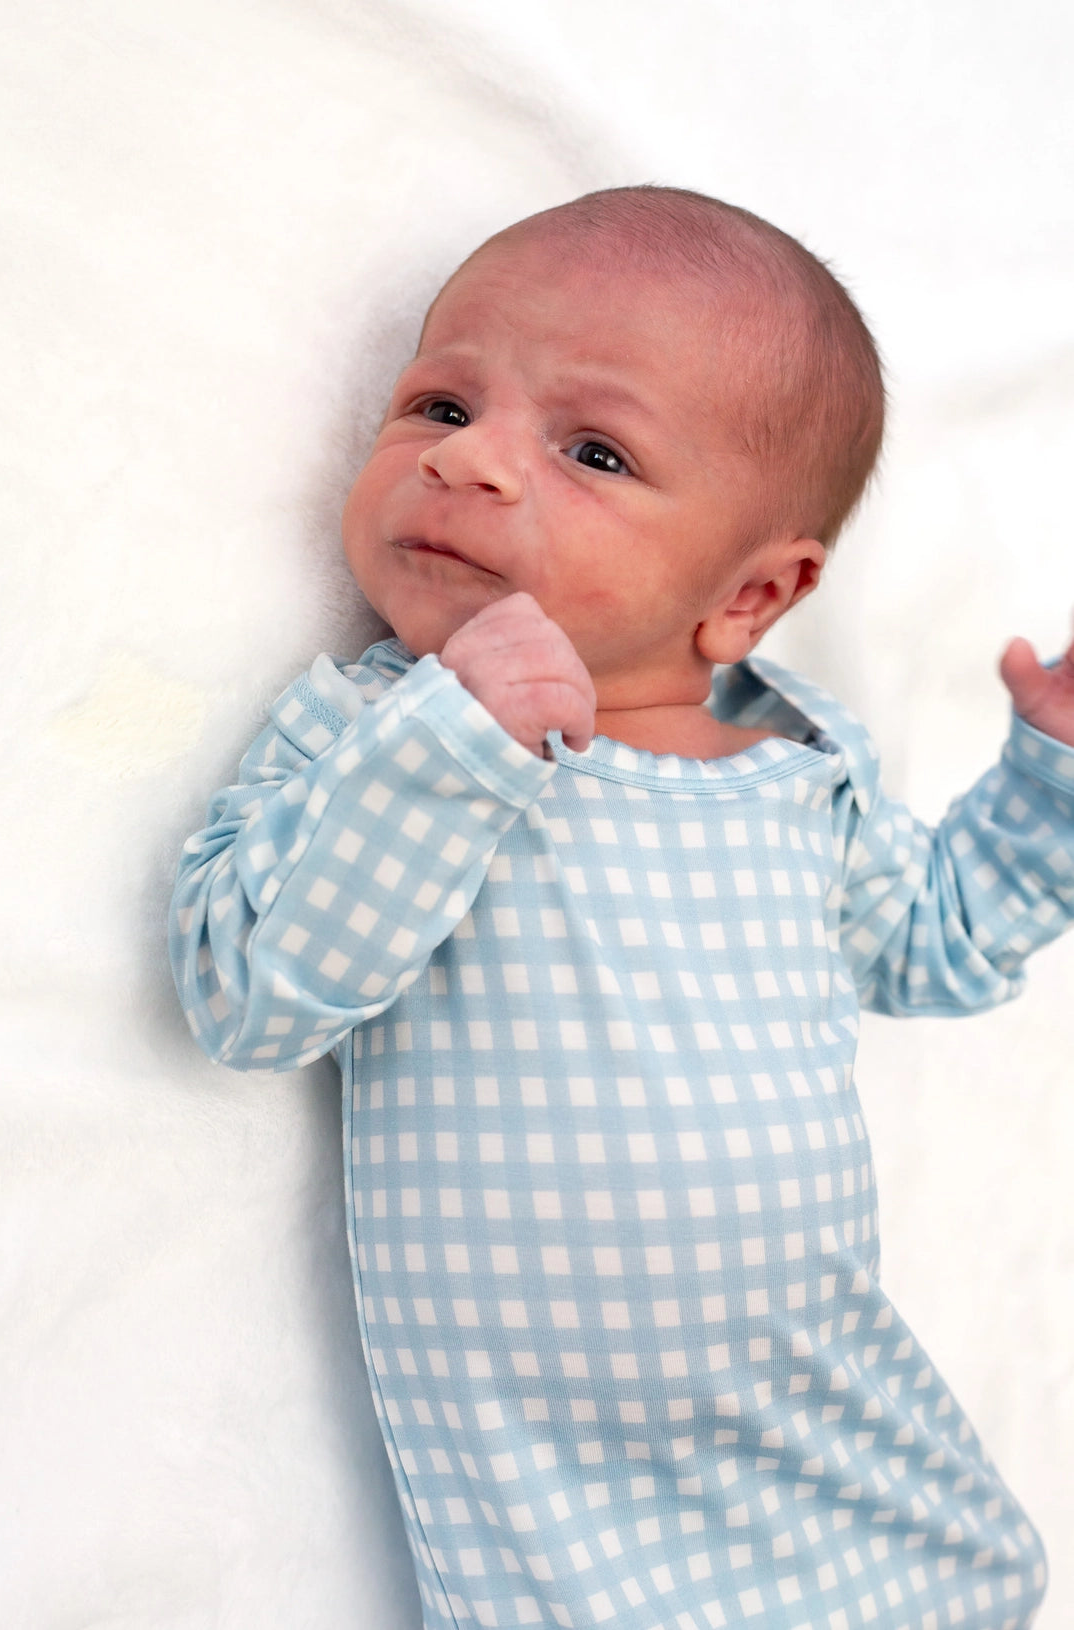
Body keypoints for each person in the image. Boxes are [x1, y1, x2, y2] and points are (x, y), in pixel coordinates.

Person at [170, 187, 1074, 1629]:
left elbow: (934, 947)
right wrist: (449, 749)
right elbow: (252, 992)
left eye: (591, 450)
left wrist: (1048, 787)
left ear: (750, 594)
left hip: (827, 1424)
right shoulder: (369, 735)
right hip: (564, 1510)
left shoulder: (797, 767)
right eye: (438, 404)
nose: (470, 466)